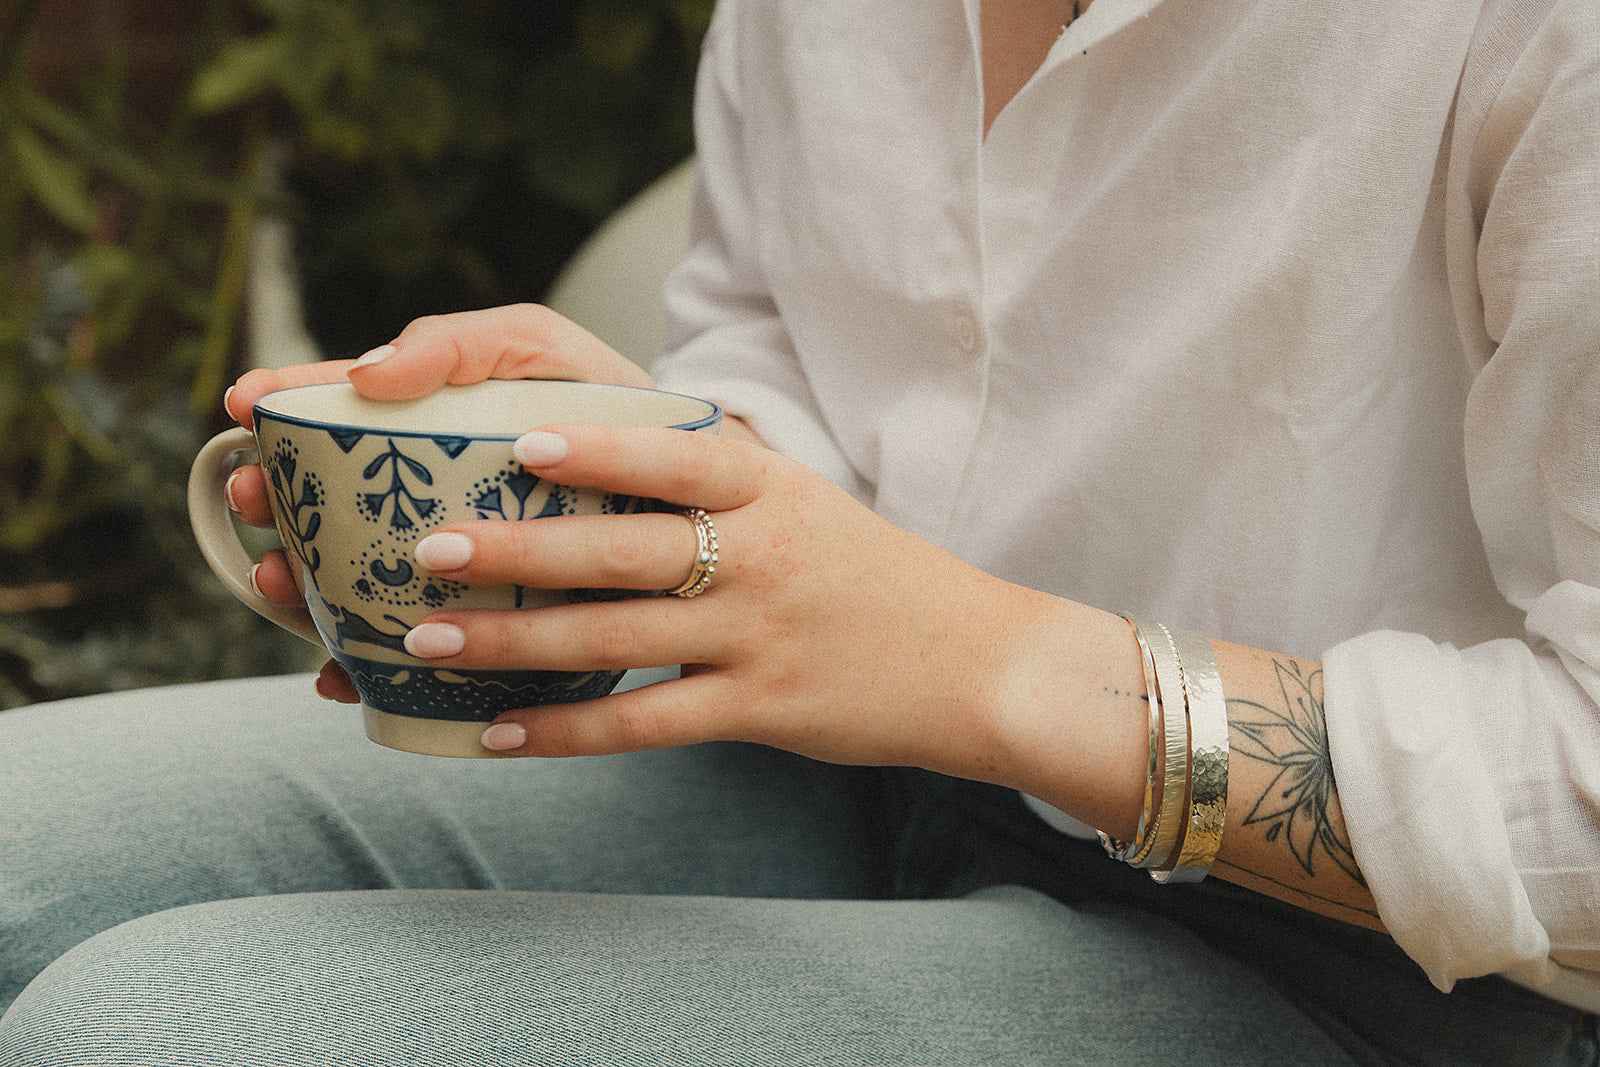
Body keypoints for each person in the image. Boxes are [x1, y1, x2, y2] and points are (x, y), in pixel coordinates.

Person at [2, 0, 1596, 1062]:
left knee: (161, 1030)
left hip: (1363, 979)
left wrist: (985, 665)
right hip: (830, 775)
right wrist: (635, 486)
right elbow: (782, 330)